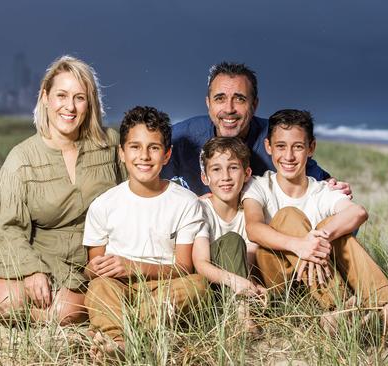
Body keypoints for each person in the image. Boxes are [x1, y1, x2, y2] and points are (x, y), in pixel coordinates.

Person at [0, 55, 125, 325]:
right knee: (6, 299)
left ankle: (36, 311)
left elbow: (135, 193)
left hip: (92, 260)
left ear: (90, 102)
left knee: (65, 311)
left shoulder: (110, 144)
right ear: (45, 97)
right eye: (61, 95)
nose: (69, 107)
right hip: (39, 256)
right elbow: (5, 225)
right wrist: (31, 270)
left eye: (79, 98)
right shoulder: (22, 157)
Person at [243, 109, 388, 335]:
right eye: (281, 146)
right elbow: (253, 228)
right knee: (289, 215)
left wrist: (316, 239)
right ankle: (338, 307)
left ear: (311, 148)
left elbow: (357, 212)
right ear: (269, 147)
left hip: (312, 282)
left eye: (298, 146)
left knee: (338, 234)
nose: (289, 156)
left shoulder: (322, 190)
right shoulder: (258, 185)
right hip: (275, 279)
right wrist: (299, 245)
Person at [82, 106, 208, 359]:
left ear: (166, 155)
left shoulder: (185, 202)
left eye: (154, 147)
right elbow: (92, 269)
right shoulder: (103, 205)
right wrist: (99, 269)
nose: (144, 156)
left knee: (198, 286)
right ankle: (119, 342)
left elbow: (184, 267)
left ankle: (118, 333)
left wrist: (134, 267)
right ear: (122, 153)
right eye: (135, 147)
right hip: (119, 288)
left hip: (163, 288)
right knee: (99, 288)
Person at [162, 61, 350, 196]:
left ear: (255, 104)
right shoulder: (182, 137)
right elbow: (143, 176)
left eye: (240, 99)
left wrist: (333, 189)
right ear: (208, 103)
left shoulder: (277, 140)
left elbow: (325, 184)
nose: (229, 109)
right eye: (220, 98)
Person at [191, 136, 267, 335]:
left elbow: (248, 261)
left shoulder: (249, 215)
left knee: (272, 291)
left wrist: (254, 286)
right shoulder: (200, 209)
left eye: (233, 168)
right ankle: (242, 319)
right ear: (204, 178)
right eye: (216, 169)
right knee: (233, 239)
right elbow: (200, 263)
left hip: (236, 287)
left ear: (247, 173)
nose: (225, 176)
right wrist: (235, 281)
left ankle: (243, 310)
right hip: (207, 285)